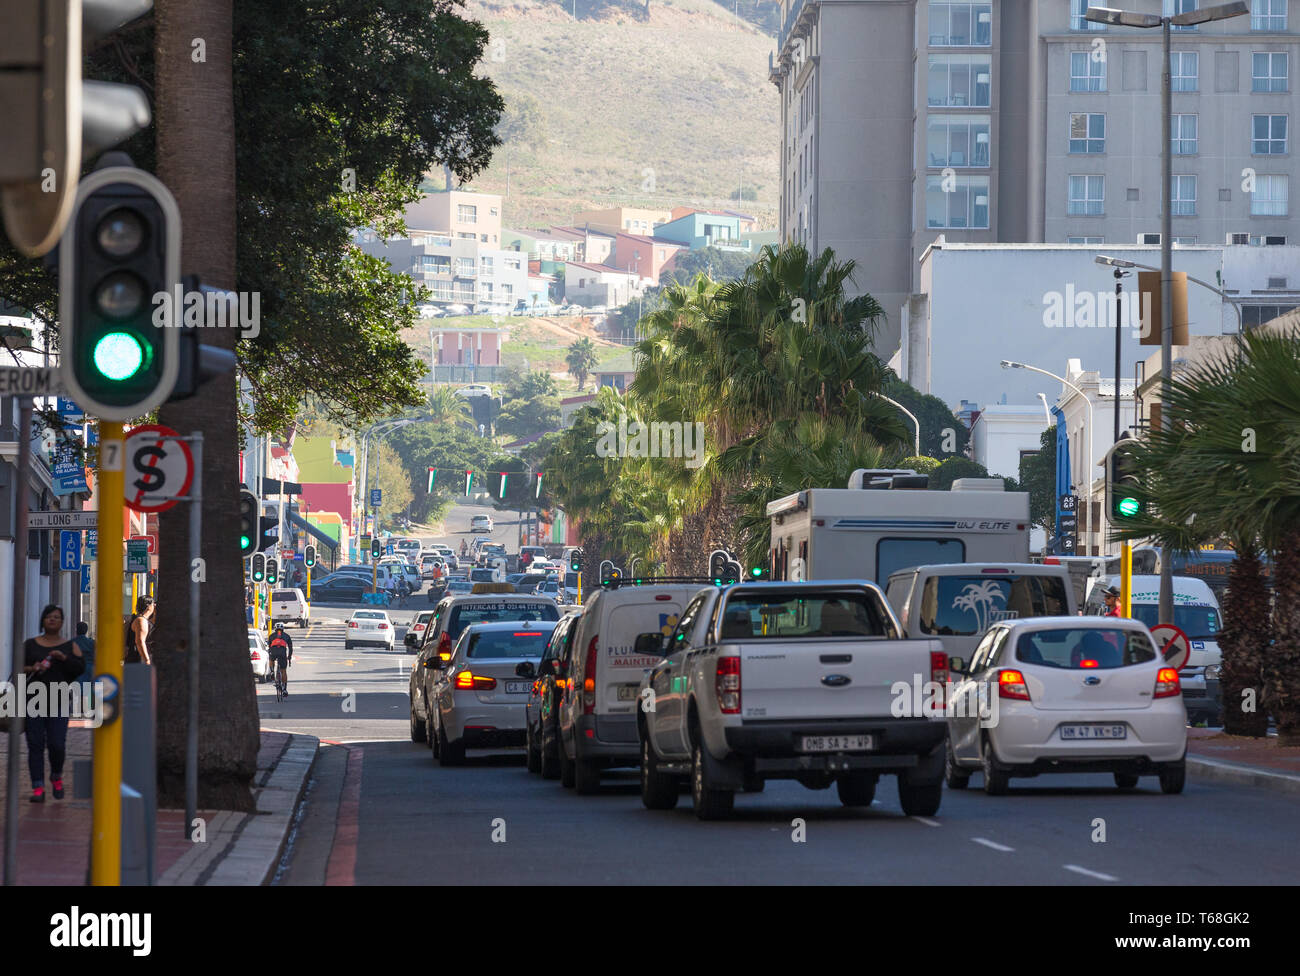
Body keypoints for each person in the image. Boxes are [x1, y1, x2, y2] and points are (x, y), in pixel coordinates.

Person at [22, 605, 84, 802]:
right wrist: (33, 667)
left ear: (62, 622)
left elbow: (79, 669)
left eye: (56, 617)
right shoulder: (30, 645)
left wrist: (64, 658)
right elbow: (18, 666)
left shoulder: (69, 646)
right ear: (42, 620)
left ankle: (56, 776)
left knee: (57, 744)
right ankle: (38, 787)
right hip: (34, 701)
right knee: (35, 744)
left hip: (59, 701)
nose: (52, 620)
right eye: (48, 616)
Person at [125, 596, 156, 665]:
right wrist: (147, 660)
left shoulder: (140, 619)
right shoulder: (141, 620)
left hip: (137, 660)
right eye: (153, 604)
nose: (154, 606)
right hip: (137, 661)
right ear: (149, 607)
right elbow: (140, 642)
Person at [268, 623, 293, 694]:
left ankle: (272, 671)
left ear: (275, 628)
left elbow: (269, 647)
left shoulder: (271, 636)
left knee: (271, 658)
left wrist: (270, 654)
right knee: (283, 671)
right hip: (282, 654)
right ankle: (284, 689)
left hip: (274, 652)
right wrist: (289, 657)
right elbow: (290, 648)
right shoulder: (287, 636)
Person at [73, 621, 95, 690]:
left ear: (76, 630)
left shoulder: (72, 642)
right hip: (89, 669)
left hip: (77, 669)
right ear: (86, 631)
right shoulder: (92, 642)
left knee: (76, 694)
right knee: (87, 694)